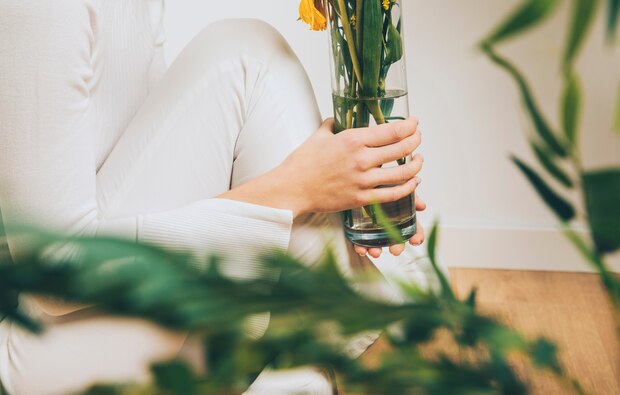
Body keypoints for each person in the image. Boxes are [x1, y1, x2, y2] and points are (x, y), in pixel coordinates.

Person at [0, 1, 425, 394]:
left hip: (132, 318)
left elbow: (148, 166)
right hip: (37, 348)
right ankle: (363, 339)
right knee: (245, 57)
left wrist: (337, 188)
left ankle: (346, 339)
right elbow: (51, 274)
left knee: (252, 55)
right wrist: (297, 189)